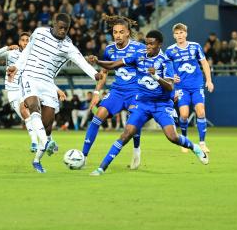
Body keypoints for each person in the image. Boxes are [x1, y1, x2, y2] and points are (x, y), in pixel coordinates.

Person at [87, 30, 209, 175]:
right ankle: (101, 168)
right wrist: (98, 61)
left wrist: (156, 76)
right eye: (147, 43)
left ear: (159, 44)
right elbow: (113, 65)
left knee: (172, 137)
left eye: (152, 43)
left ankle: (194, 147)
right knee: (126, 135)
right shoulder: (138, 56)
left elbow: (170, 86)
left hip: (161, 104)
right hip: (143, 103)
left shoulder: (165, 61)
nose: (148, 46)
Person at [7, 13, 101, 173]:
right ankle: (46, 142)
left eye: (66, 28)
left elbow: (80, 61)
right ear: (53, 25)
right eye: (60, 27)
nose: (63, 31)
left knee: (47, 124)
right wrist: (17, 67)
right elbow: (27, 51)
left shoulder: (68, 46)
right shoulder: (39, 33)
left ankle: (37, 159)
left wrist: (95, 75)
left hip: (48, 83)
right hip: (29, 76)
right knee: (33, 107)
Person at [81, 14, 146, 170]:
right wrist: (96, 93)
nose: (117, 35)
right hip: (117, 91)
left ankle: (136, 151)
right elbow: (104, 73)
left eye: (121, 32)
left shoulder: (139, 48)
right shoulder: (109, 49)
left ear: (127, 33)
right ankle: (83, 157)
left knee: (133, 122)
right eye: (115, 32)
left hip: (135, 92)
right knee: (98, 117)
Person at [0, 32, 67, 151]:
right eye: (23, 40)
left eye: (28, 40)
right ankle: (48, 140)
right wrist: (7, 47)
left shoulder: (35, 57)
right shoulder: (12, 53)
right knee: (28, 117)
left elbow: (44, 77)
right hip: (13, 91)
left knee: (33, 113)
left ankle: (36, 143)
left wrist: (57, 89)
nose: (25, 42)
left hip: (28, 89)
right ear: (19, 42)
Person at [165, 23, 214, 153]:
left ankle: (202, 143)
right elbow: (166, 68)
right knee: (184, 115)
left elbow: (204, 63)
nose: (179, 35)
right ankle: (185, 140)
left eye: (181, 33)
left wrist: (209, 80)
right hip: (181, 87)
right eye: (177, 33)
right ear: (174, 35)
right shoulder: (170, 51)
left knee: (201, 112)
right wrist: (171, 77)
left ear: (186, 33)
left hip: (196, 85)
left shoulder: (195, 46)